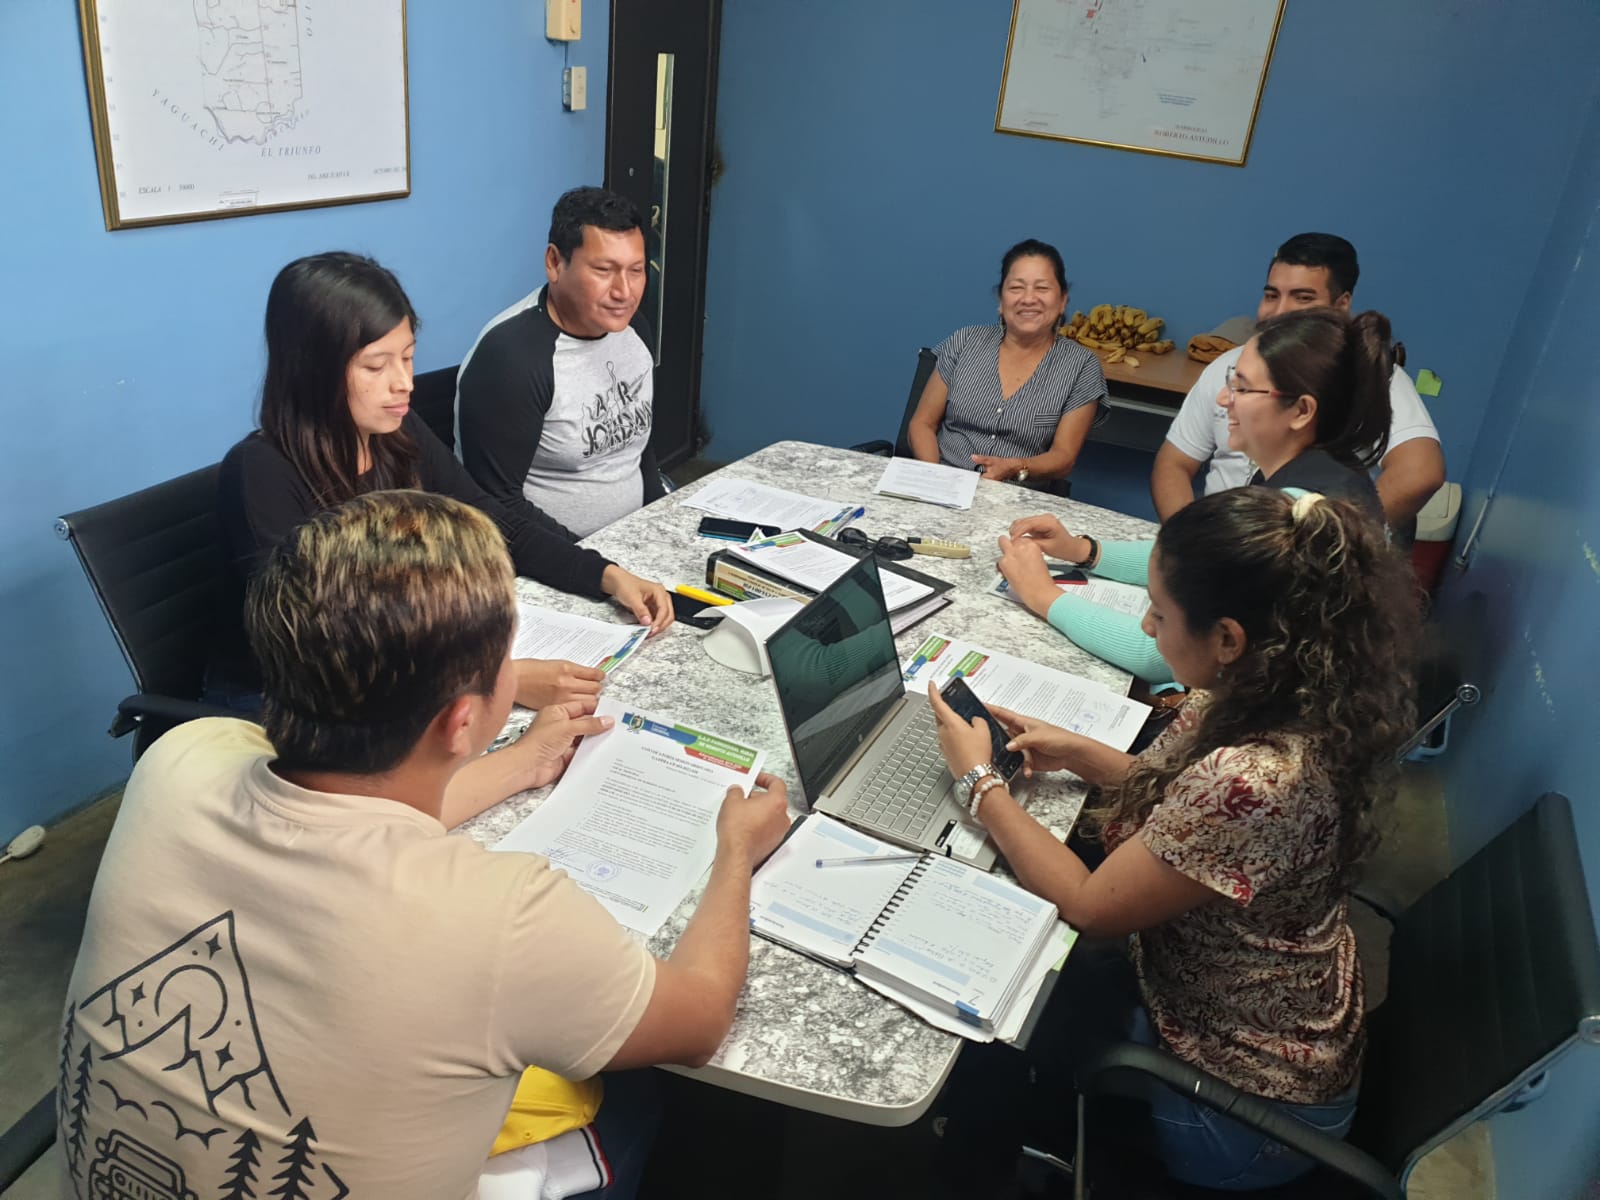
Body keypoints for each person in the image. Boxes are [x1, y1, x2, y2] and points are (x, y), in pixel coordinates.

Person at [57, 490, 791, 1200]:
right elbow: (698, 1022)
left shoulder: (180, 758)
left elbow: (345, 805)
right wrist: (735, 852)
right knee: (637, 1099)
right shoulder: (503, 916)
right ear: (461, 721)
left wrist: (521, 764)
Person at [929, 486, 1418, 1191]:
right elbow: (1192, 811)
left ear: (1228, 638)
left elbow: (1091, 907)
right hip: (1232, 1008)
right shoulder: (1275, 693)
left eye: (1159, 613)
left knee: (991, 1020)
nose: (1147, 626)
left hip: (1241, 1115)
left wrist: (981, 783)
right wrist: (1081, 753)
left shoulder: (1257, 777)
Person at [210, 251, 672, 707]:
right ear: (313, 370)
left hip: (409, 658)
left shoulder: (397, 432)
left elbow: (492, 521)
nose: (404, 383)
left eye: (408, 358)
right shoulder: (261, 472)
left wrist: (605, 574)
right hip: (288, 701)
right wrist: (496, 680)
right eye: (376, 366)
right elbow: (322, 648)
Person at [998, 306, 1393, 685]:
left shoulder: (1293, 514)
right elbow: (1199, 562)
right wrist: (1085, 550)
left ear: (1302, 411)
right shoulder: (1327, 477)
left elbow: (1159, 653)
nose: (1223, 399)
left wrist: (1043, 595)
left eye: (1241, 387)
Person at [1152, 231, 1446, 530]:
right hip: (1221, 539)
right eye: (1271, 296)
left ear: (1341, 304)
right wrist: (1186, 541)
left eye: (1303, 298)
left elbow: (1420, 473)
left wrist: (1334, 537)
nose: (1280, 312)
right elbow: (1174, 463)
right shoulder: (1230, 363)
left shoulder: (1368, 376)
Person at [457, 186, 661, 539]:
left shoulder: (633, 329)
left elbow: (638, 450)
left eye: (636, 270)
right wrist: (596, 564)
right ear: (554, 262)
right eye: (604, 270)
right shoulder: (512, 358)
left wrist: (661, 522)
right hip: (552, 557)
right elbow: (497, 505)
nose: (624, 292)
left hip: (632, 542)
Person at [906, 239, 1105, 486]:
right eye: (1016, 288)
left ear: (1063, 300)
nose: (1028, 299)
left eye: (1042, 288)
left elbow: (1064, 458)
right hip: (942, 481)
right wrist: (934, 480)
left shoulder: (1082, 367)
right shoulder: (964, 341)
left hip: (1015, 495)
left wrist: (1015, 467)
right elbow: (922, 423)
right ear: (1001, 301)